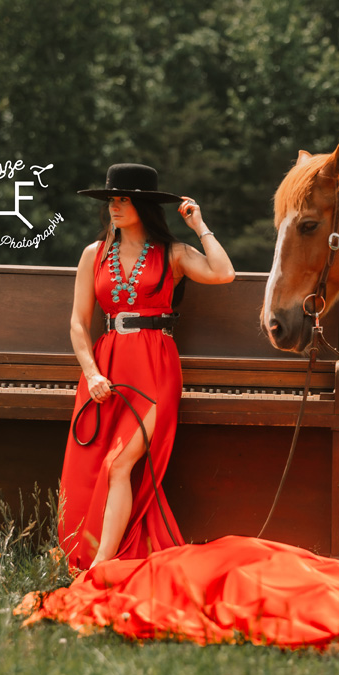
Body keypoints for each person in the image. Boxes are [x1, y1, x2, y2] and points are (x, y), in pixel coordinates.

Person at [58, 162, 235, 574]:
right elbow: (77, 322)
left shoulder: (172, 253)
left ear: (143, 204)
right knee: (92, 464)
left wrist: (199, 226)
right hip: (106, 366)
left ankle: (102, 566)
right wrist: (92, 373)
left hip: (155, 365)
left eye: (124, 200)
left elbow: (224, 273)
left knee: (119, 464)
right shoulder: (93, 254)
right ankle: (91, 553)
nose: (115, 207)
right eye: (111, 200)